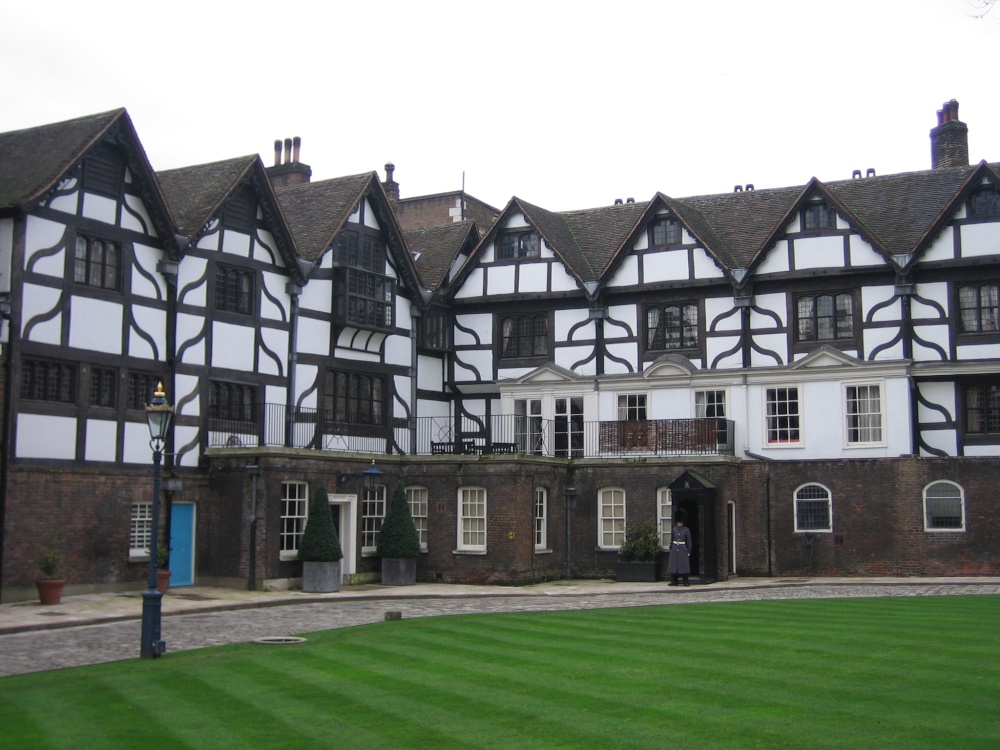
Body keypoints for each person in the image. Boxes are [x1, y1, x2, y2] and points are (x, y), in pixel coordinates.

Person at [667, 509, 692, 586]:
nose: (679, 523)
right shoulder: (674, 529)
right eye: (678, 521)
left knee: (684, 567)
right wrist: (671, 547)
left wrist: (688, 551)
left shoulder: (686, 530)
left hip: (683, 549)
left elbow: (689, 542)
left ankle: (686, 581)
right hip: (674, 548)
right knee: (674, 566)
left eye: (680, 521)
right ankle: (674, 581)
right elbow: (672, 539)